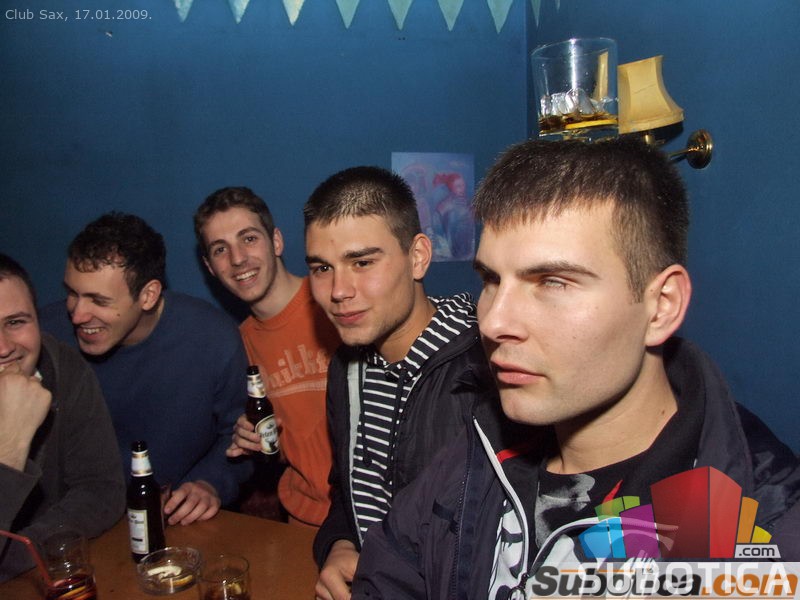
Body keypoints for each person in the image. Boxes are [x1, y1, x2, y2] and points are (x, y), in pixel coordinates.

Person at [352, 138, 800, 598]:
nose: (494, 322)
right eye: (491, 280)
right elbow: (389, 571)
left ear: (661, 307)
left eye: (552, 282)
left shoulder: (764, 532)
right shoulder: (479, 448)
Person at [303, 166, 492, 600]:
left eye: (362, 262)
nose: (338, 290)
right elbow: (348, 490)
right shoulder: (347, 367)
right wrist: (339, 544)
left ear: (418, 257)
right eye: (322, 268)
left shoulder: (486, 369)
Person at [39, 212, 251, 527]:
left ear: (148, 295)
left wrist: (210, 482)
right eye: (72, 293)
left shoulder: (212, 338)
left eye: (99, 300)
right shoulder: (44, 338)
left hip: (172, 522)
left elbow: (241, 435)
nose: (78, 314)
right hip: (70, 523)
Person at [194, 186, 340, 528]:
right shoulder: (237, 345)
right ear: (210, 267)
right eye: (220, 249)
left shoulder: (335, 301)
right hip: (304, 520)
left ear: (276, 241)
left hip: (376, 516)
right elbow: (280, 444)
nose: (237, 259)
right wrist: (252, 440)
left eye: (248, 239)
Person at [0, 254, 125, 582]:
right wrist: (10, 445)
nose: (3, 347)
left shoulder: (61, 366)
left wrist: (16, 553)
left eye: (15, 322)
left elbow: (102, 489)